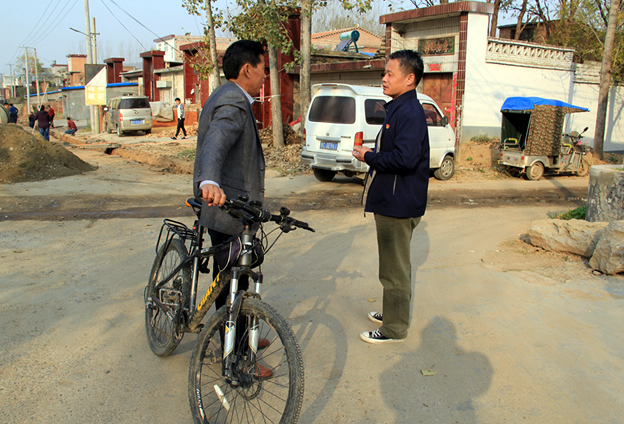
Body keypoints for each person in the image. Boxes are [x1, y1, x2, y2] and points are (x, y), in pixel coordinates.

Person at [193, 40, 270, 375]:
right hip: (227, 211)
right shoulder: (233, 104)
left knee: (237, 275)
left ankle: (242, 332)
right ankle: (236, 356)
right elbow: (217, 140)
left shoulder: (227, 94)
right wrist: (209, 179)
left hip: (231, 207)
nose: (266, 76)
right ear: (248, 69)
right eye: (264, 69)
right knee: (231, 287)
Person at [352, 49, 430, 344]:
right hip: (393, 202)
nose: (384, 78)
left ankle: (395, 329)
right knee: (391, 265)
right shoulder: (399, 107)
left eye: (390, 74)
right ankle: (393, 312)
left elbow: (405, 159)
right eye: (384, 73)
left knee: (395, 270)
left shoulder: (410, 112)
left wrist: (370, 155)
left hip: (399, 205)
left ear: (410, 79)